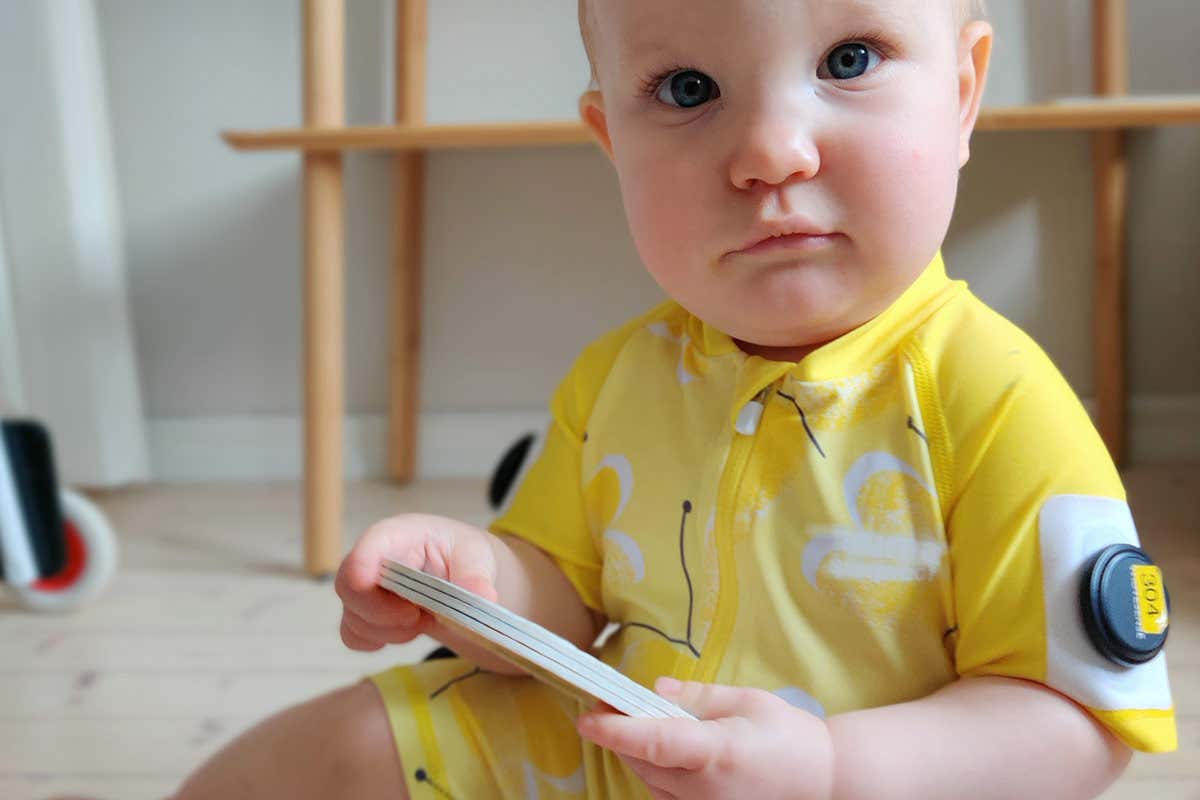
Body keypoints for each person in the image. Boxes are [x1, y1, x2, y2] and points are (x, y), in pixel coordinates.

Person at [174, 0, 1177, 797]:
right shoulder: (619, 377)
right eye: (689, 87)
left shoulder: (1001, 400)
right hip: (635, 751)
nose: (772, 151)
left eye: (849, 59)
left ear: (962, 95)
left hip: (884, 782)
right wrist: (476, 579)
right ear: (612, 140)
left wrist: (832, 769)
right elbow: (560, 597)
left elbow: (1076, 720)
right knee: (340, 744)